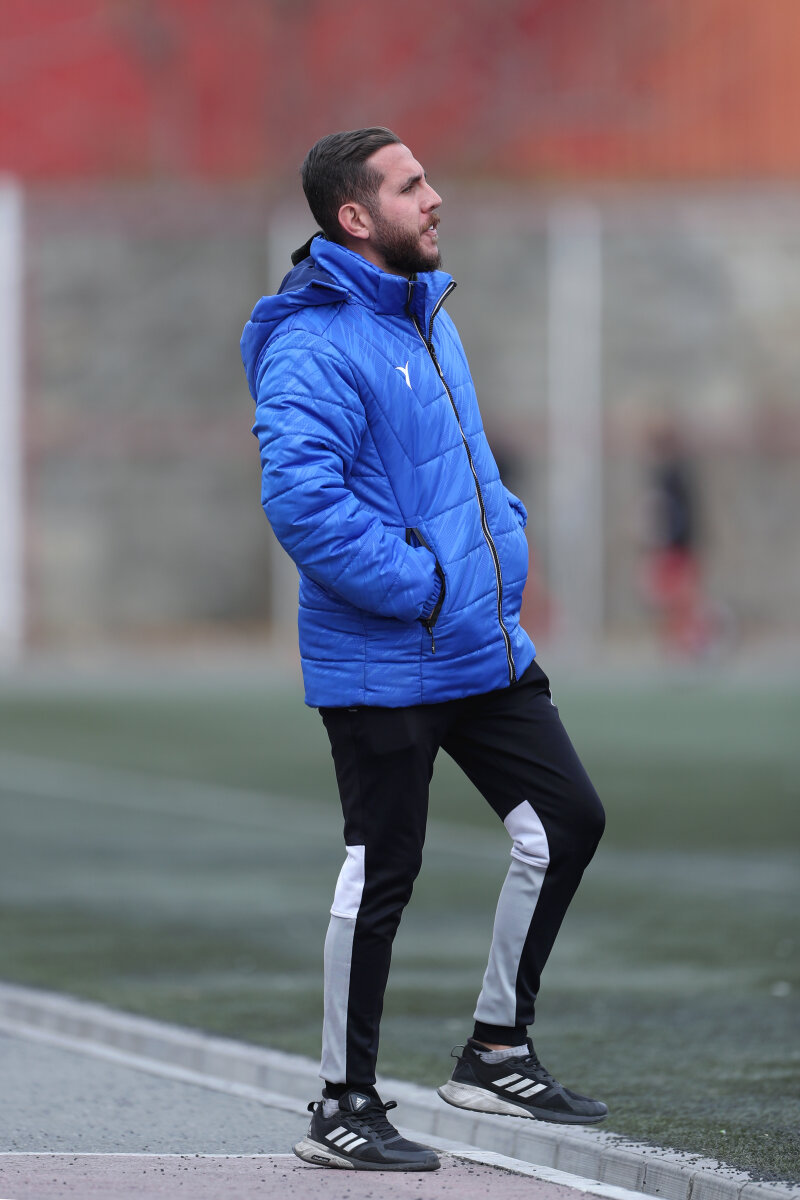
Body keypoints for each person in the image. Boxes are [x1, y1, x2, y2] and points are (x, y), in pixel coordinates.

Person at [240, 127, 607, 1174]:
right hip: (385, 658)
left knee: (567, 822)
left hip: (478, 647)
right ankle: (341, 1105)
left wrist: (498, 546)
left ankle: (495, 1050)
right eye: (410, 186)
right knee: (382, 873)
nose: (435, 197)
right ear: (355, 216)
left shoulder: (426, 316)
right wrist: (427, 583)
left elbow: (464, 472)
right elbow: (302, 503)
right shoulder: (313, 343)